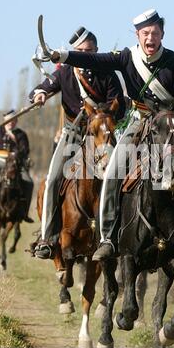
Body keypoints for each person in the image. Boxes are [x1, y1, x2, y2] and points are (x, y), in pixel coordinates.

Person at [46, 9, 174, 280]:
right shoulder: (127, 58)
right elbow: (95, 59)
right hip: (139, 125)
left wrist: (170, 114)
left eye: (155, 32)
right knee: (113, 173)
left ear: (163, 34)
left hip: (170, 126)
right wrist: (64, 56)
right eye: (145, 33)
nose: (151, 38)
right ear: (138, 35)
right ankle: (108, 239)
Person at [30, 26, 126, 259]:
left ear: (96, 50)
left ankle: (119, 236)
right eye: (80, 50)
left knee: (124, 178)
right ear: (74, 51)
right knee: (53, 179)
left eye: (89, 50)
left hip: (101, 135)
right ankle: (48, 239)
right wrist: (39, 95)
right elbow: (43, 87)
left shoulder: (108, 74)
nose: (84, 54)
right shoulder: (65, 72)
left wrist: (102, 114)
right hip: (73, 134)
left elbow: (119, 106)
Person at [0, 109, 34, 222]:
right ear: (4, 121)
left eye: (13, 120)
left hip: (15, 163)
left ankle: (24, 212)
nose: (10, 123)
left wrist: (16, 151)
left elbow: (25, 150)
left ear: (16, 121)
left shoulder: (21, 134)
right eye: (8, 121)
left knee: (29, 183)